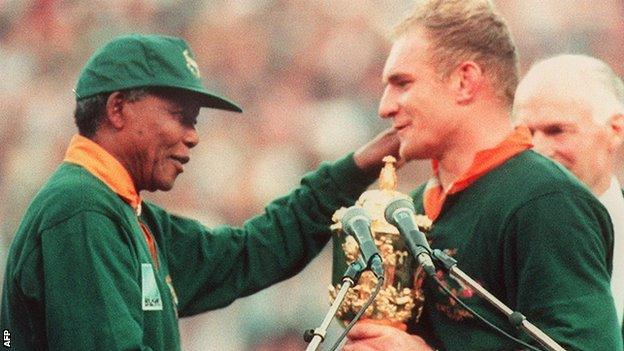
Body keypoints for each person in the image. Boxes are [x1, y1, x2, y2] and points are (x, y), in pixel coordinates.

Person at [0, 34, 400, 350]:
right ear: (118, 109)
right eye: (180, 117)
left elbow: (249, 253)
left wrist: (355, 169)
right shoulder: (83, 210)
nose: (193, 136)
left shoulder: (127, 212)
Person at [343, 1, 622, 350]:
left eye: (403, 83)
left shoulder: (546, 200)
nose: (384, 106)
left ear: (465, 81)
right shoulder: (410, 210)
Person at [513, 54, 624, 327]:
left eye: (556, 131)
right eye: (525, 134)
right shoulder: (498, 233)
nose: (537, 150)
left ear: (615, 130)